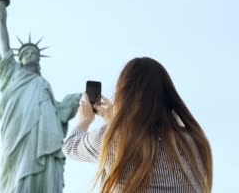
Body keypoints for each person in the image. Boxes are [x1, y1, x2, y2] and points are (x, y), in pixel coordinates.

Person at [63, 57, 213, 193]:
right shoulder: (194, 142)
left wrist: (85, 120)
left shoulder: (112, 137)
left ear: (124, 95)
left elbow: (70, 147)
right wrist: (113, 121)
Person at [0, 0, 81, 193]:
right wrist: (2, 18)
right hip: (19, 130)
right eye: (26, 53)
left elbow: (58, 111)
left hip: (44, 133)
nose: (30, 55)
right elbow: (5, 47)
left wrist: (73, 103)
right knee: (18, 169)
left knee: (45, 173)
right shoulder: (13, 72)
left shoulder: (43, 83)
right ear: (20, 59)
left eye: (34, 53)